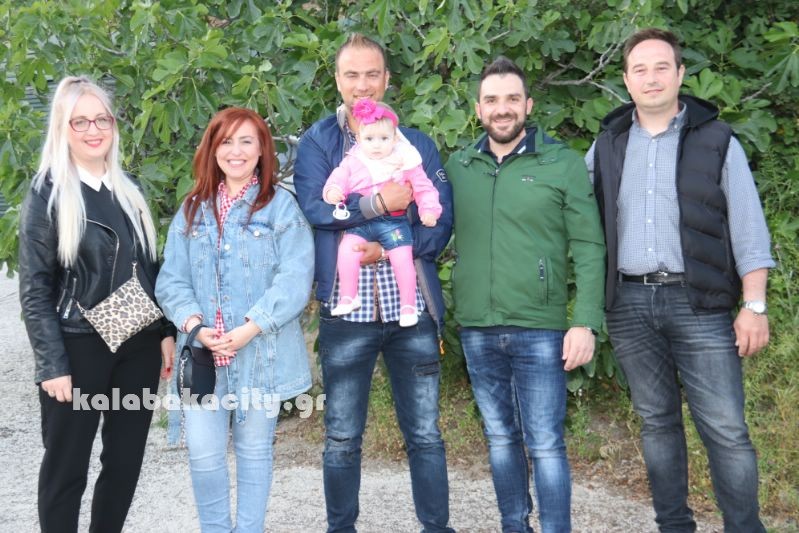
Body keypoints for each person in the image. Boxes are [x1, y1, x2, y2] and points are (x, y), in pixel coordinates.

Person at [587, 28, 774, 532]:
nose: (651, 78)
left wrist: (754, 305)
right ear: (626, 81)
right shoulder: (607, 144)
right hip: (628, 305)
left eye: (661, 67)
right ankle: (674, 525)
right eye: (640, 70)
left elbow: (748, 227)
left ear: (680, 74)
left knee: (726, 430)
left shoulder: (717, 140)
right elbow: (575, 216)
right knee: (657, 424)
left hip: (701, 305)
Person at [293, 33, 455, 533]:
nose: (362, 85)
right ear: (336, 80)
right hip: (348, 312)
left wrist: (385, 249)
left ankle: (437, 527)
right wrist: (376, 205)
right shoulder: (319, 142)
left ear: (386, 79)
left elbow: (440, 221)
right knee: (342, 437)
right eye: (351, 75)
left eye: (371, 74)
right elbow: (317, 208)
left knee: (425, 434)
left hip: (413, 310)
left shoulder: (416, 144)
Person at [445, 57, 605, 533]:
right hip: (477, 327)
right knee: (499, 438)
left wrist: (585, 321)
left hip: (540, 328)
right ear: (478, 109)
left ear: (528, 105)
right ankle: (513, 525)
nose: (503, 108)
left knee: (546, 443)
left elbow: (589, 246)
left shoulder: (562, 163)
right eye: (492, 100)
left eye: (512, 98)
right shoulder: (459, 167)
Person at [18, 75, 176, 533]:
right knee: (67, 468)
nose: (93, 130)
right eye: (80, 121)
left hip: (137, 345)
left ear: (113, 124)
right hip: (79, 346)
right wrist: (52, 364)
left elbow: (147, 268)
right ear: (62, 128)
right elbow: (35, 288)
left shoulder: (128, 189)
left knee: (124, 464)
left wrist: (164, 330)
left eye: (101, 119)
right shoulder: (48, 193)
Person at [155, 107, 314, 532]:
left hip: (259, 356)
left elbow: (295, 279)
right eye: (226, 141)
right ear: (213, 149)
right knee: (204, 456)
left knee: (254, 453)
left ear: (262, 150)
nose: (236, 151)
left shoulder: (281, 209)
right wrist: (195, 326)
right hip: (202, 357)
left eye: (247, 141)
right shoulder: (192, 210)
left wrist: (251, 327)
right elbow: (171, 280)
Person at [323, 98, 442, 326]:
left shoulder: (405, 160)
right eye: (369, 139)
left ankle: (407, 305)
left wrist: (429, 209)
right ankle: (349, 296)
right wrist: (333, 191)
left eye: (384, 138)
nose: (376, 145)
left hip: (394, 222)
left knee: (402, 258)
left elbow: (424, 187)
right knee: (347, 250)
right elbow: (339, 177)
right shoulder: (354, 160)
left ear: (394, 138)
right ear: (359, 139)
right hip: (361, 222)